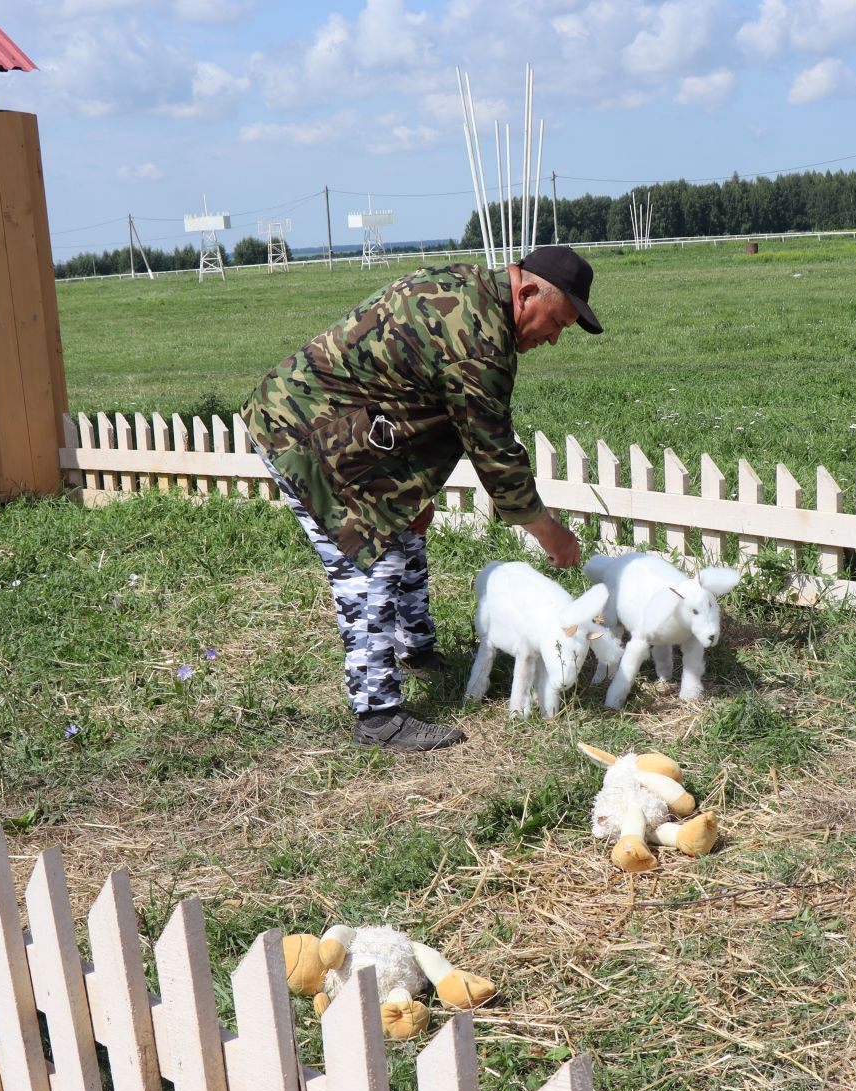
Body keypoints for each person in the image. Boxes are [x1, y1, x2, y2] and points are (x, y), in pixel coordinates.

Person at [241, 246, 601, 753]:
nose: (553, 338)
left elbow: (410, 388)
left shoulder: (468, 284)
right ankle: (378, 717)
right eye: (556, 321)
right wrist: (553, 536)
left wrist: (408, 493)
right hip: (305, 432)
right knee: (371, 565)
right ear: (525, 292)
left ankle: (417, 650)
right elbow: (495, 455)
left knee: (406, 527)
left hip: (335, 423)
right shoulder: (481, 344)